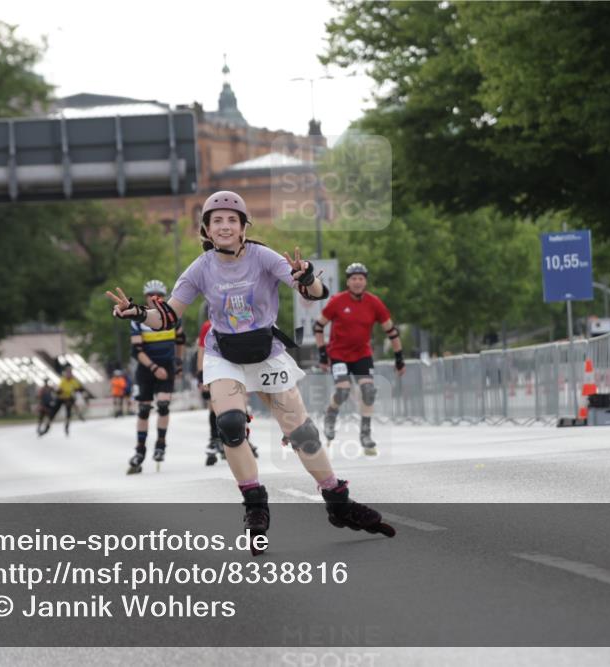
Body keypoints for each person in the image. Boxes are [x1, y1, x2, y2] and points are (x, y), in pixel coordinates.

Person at [107, 190, 395, 552]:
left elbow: (316, 291)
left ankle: (337, 500)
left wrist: (305, 277)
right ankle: (255, 504)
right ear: (207, 231)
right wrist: (136, 313)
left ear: (244, 227)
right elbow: (167, 314)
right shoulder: (201, 267)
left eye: (232, 220)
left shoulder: (263, 257)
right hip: (223, 353)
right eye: (217, 221)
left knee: (302, 431)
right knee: (229, 425)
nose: (224, 226)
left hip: (266, 351)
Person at [314, 262, 406, 455]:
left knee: (368, 391)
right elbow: (318, 326)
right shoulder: (337, 301)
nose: (357, 282)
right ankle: (330, 414)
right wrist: (322, 353)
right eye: (353, 278)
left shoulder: (374, 303)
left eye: (361, 279)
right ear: (348, 281)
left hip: (362, 354)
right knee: (343, 392)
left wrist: (399, 358)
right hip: (338, 354)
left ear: (365, 282)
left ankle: (365, 433)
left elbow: (391, 330)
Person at [126, 280, 185, 474]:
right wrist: (153, 367)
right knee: (143, 410)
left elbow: (180, 341)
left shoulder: (172, 317)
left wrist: (178, 362)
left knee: (163, 405)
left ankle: (160, 445)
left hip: (166, 366)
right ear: (145, 298)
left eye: (157, 295)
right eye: (150, 295)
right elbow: (137, 350)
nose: (153, 299)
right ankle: (140, 450)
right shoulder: (138, 318)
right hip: (146, 368)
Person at [197, 316, 258, 465]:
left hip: (238, 367)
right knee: (214, 405)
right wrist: (200, 375)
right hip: (217, 369)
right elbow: (201, 350)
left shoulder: (241, 321)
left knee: (242, 405)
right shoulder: (208, 325)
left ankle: (244, 436)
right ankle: (214, 438)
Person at [38, 366, 83, 437]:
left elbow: (78, 388)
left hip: (68, 398)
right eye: (67, 373)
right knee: (53, 413)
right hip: (61, 398)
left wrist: (77, 390)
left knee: (68, 413)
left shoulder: (74, 381)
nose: (68, 375)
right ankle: (46, 428)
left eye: (69, 373)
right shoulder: (63, 380)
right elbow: (58, 390)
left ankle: (67, 427)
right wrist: (59, 391)